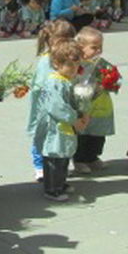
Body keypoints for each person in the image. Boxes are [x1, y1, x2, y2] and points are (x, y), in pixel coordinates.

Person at [34, 40, 88, 201]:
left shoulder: (66, 81)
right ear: (57, 63)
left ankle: (61, 182)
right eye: (70, 66)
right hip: (55, 128)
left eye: (77, 66)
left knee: (63, 156)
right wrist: (73, 119)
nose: (74, 70)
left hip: (64, 127)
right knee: (53, 158)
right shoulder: (54, 82)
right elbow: (56, 106)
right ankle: (52, 188)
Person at [73, 27, 116, 174]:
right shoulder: (75, 65)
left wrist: (111, 83)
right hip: (83, 106)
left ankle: (93, 157)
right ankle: (79, 160)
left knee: (98, 135)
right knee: (82, 136)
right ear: (80, 47)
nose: (98, 50)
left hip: (100, 106)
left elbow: (116, 79)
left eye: (100, 47)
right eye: (94, 47)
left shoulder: (102, 63)